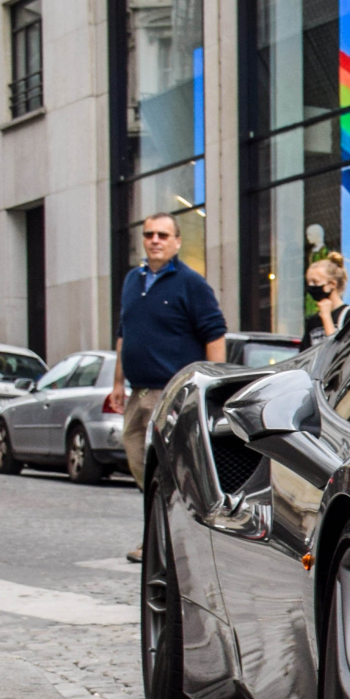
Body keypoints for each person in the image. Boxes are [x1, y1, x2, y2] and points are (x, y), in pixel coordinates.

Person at [108, 211, 226, 559]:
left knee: (169, 471)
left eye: (162, 235)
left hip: (173, 394)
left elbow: (215, 336)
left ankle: (164, 545)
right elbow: (123, 334)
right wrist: (117, 382)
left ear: (176, 242)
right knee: (141, 468)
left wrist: (209, 388)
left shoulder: (191, 284)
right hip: (138, 393)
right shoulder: (132, 280)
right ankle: (161, 536)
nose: (155, 240)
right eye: (149, 235)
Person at [307, 252, 347, 337]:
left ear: (332, 284)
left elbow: (337, 349)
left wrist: (326, 317)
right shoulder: (313, 321)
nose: (311, 286)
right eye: (308, 282)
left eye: (315, 282)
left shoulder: (349, 315)